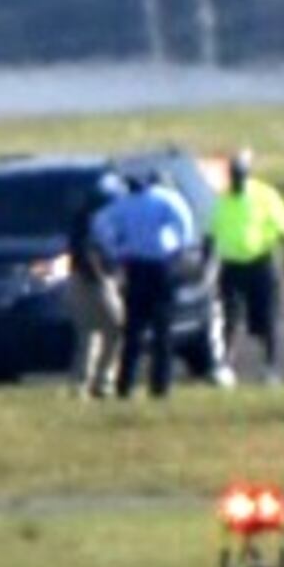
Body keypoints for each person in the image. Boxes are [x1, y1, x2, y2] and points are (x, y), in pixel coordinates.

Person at [91, 168, 200, 399]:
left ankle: (125, 385)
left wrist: (115, 250)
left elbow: (99, 223)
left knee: (133, 330)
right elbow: (184, 220)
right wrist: (180, 246)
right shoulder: (164, 197)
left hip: (135, 267)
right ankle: (160, 386)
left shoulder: (123, 203)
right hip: (161, 267)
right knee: (162, 329)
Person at [209, 147, 284, 385]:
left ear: (247, 174)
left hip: (260, 263)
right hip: (232, 266)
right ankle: (226, 366)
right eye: (233, 176)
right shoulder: (222, 199)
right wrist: (208, 266)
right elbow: (211, 234)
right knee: (230, 317)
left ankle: (270, 366)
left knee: (267, 318)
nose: (236, 180)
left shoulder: (265, 195)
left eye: (240, 175)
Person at [62, 185, 125, 401]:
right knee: (115, 327)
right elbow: (90, 253)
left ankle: (80, 385)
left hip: (77, 280)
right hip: (95, 282)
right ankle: (103, 381)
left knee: (87, 334)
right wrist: (103, 277)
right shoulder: (94, 223)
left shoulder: (80, 221)